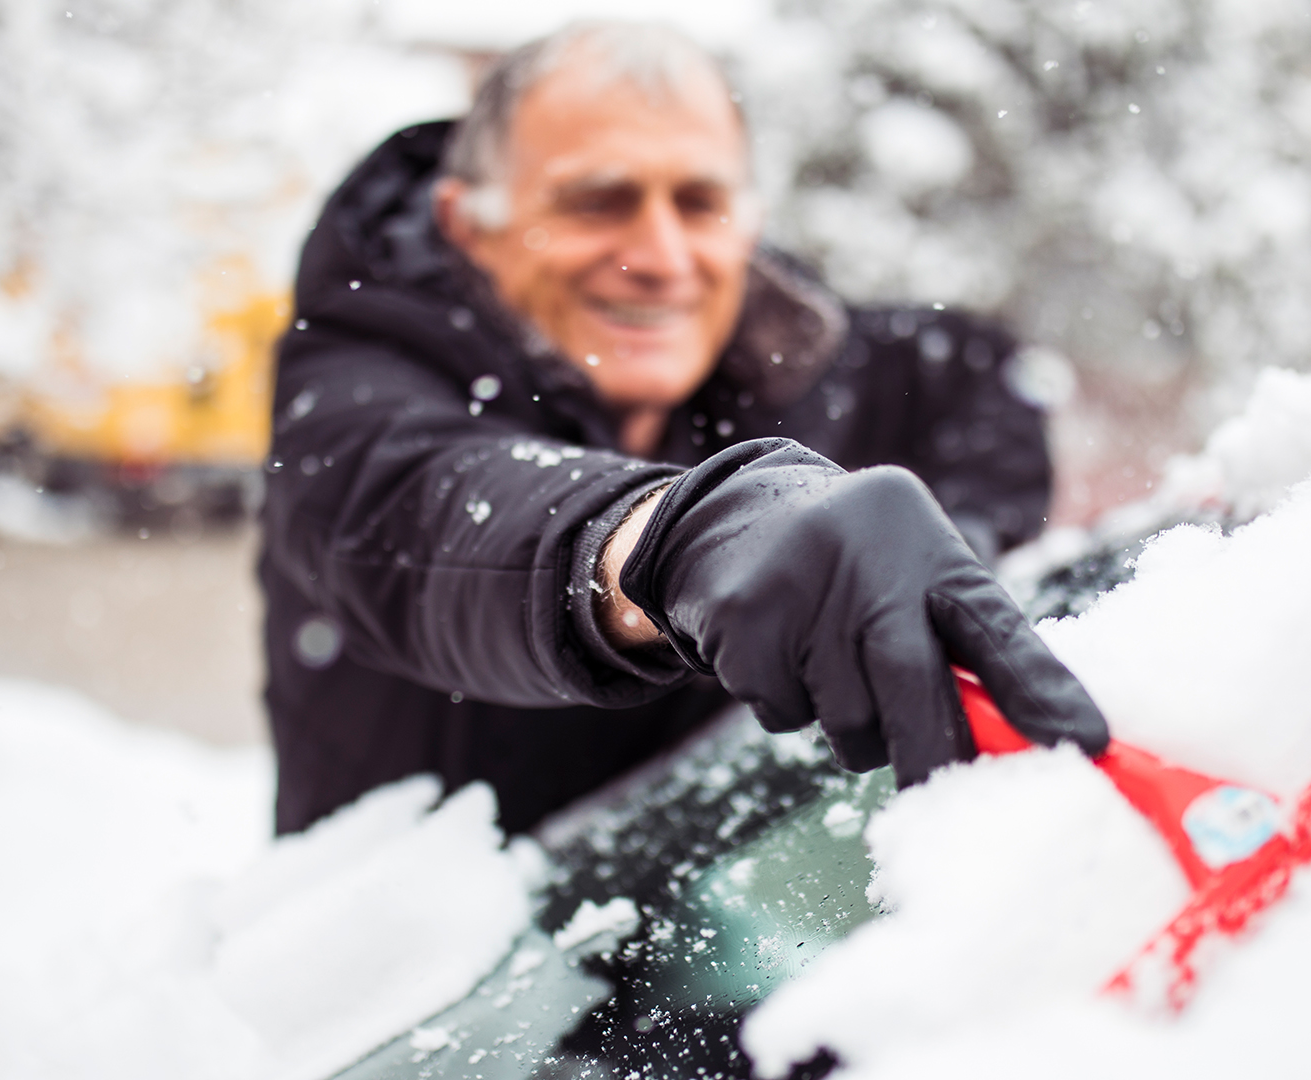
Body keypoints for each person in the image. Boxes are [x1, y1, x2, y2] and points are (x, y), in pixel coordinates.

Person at [260, 21, 1108, 837]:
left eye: (700, 203)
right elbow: (428, 510)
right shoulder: (353, 380)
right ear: (467, 224)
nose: (663, 257)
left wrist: (961, 540)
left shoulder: (794, 367)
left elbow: (978, 376)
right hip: (435, 968)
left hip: (722, 953)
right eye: (599, 201)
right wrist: (677, 541)